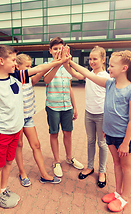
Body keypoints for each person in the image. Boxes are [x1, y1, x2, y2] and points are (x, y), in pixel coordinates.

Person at [0, 45, 67, 208]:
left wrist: (58, 61)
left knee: (9, 162)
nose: (15, 63)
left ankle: (4, 189)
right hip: (1, 132)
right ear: (1, 61)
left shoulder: (18, 77)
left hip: (16, 129)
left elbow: (40, 68)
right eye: (12, 60)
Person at [68, 50, 131, 212]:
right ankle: (117, 192)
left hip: (124, 139)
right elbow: (87, 73)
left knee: (126, 166)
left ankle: (125, 197)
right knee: (116, 164)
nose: (109, 68)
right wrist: (70, 62)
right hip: (110, 134)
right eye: (109, 65)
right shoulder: (109, 84)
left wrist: (126, 143)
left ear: (124, 68)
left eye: (112, 66)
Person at [63, 46, 109, 188]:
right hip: (89, 114)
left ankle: (102, 171)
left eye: (95, 59)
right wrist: (65, 62)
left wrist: (70, 61)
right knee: (90, 141)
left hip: (102, 115)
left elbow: (83, 73)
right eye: (90, 59)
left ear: (103, 60)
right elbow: (76, 74)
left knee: (102, 144)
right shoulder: (89, 73)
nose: (91, 61)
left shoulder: (105, 77)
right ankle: (90, 167)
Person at [14, 53, 61, 186]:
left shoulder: (30, 80)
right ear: (18, 67)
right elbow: (39, 68)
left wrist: (56, 62)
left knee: (36, 145)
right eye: (27, 66)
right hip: (16, 120)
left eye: (30, 66)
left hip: (28, 118)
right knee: (19, 145)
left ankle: (44, 175)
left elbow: (41, 70)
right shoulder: (15, 79)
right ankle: (22, 173)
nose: (30, 68)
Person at [44, 37, 84, 177]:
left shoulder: (68, 67)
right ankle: (56, 161)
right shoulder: (47, 64)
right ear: (50, 51)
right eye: (55, 49)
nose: (58, 51)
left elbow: (69, 88)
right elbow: (47, 80)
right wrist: (57, 64)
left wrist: (75, 107)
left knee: (68, 133)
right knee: (54, 133)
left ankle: (69, 157)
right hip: (53, 106)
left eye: (60, 48)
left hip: (67, 106)